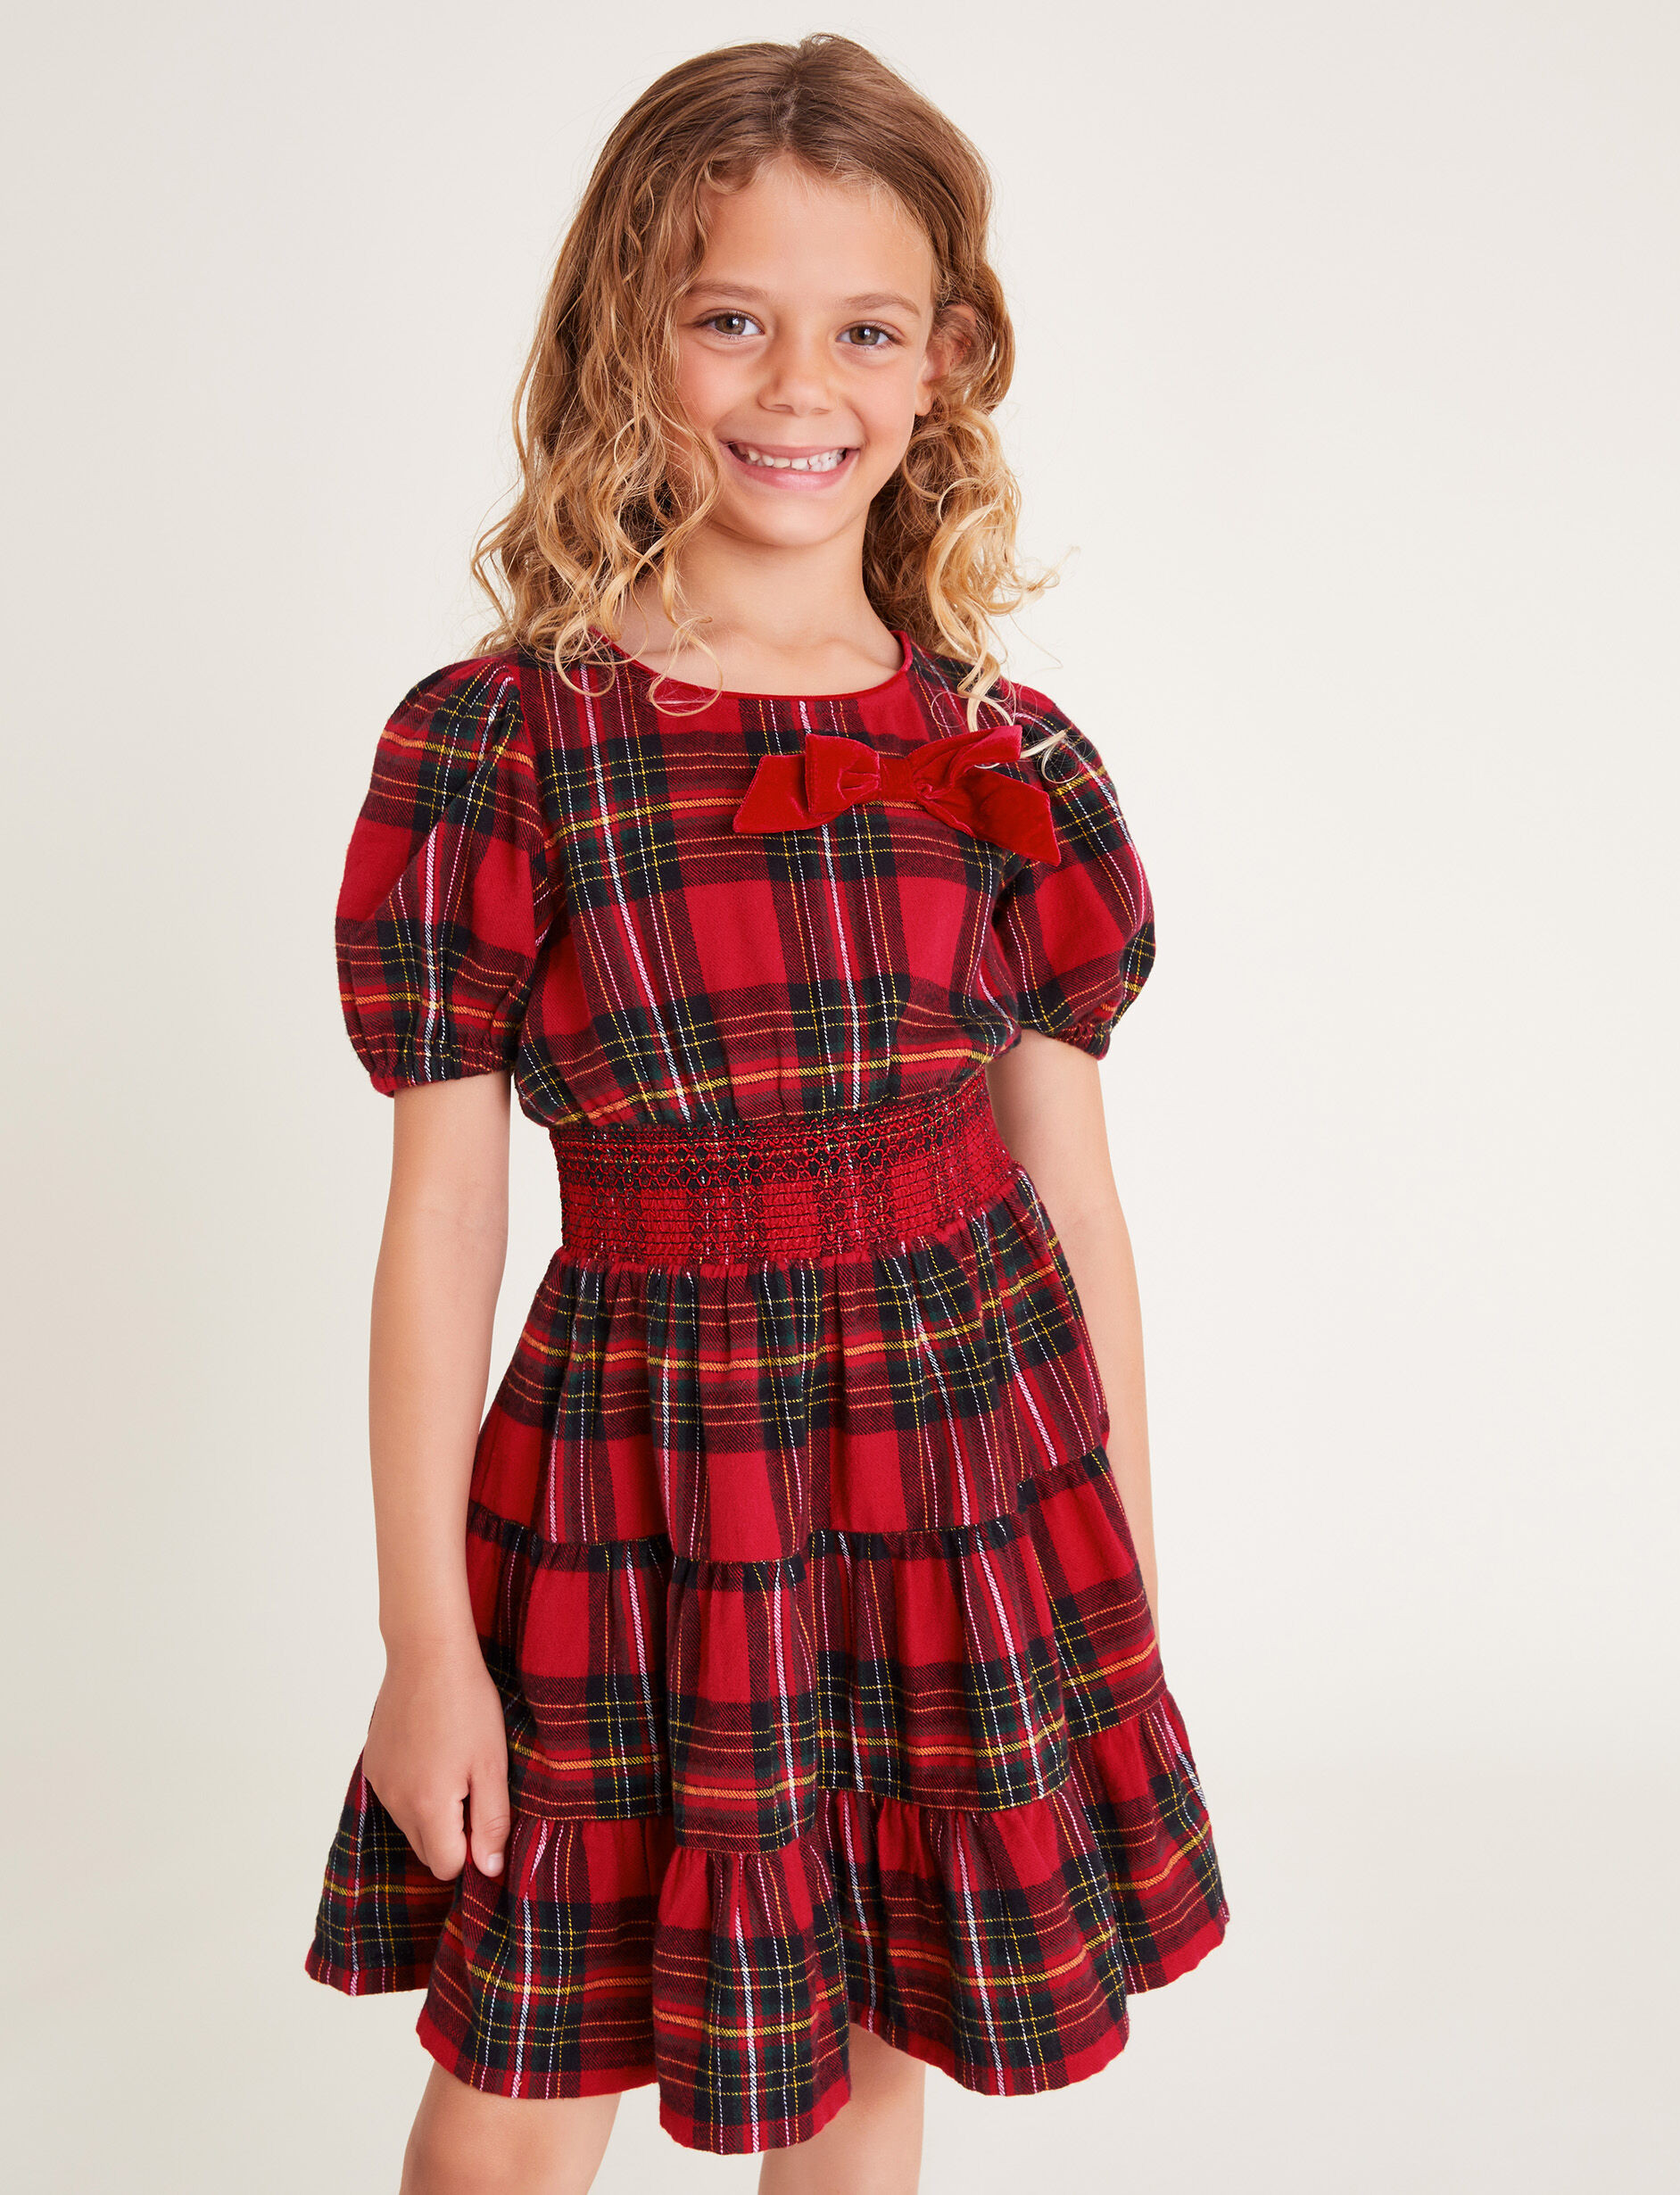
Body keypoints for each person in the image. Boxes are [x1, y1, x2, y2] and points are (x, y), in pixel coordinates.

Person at [303, 32, 1228, 2191]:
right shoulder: (504, 743)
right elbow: (445, 1220)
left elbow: (1073, 1203)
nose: (800, 385)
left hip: (959, 1485)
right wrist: (426, 1647)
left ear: (948, 360)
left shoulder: (1010, 755)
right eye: (731, 318)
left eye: (865, 330)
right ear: (627, 335)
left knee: (882, 2038)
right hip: (641, 1497)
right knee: (525, 2077)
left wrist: (1119, 1570)